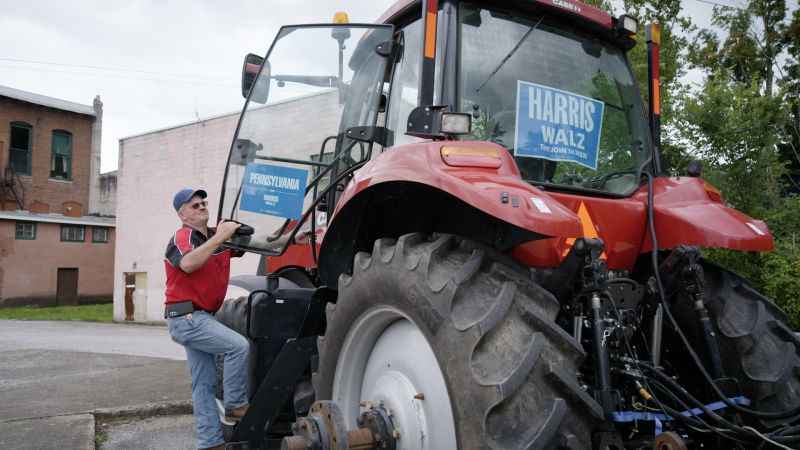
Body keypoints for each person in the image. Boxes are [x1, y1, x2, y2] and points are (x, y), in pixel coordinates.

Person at [164, 188, 248, 450]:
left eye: (203, 203)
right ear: (182, 214)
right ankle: (235, 406)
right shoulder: (182, 237)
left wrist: (293, 238)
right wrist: (219, 236)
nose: (202, 207)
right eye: (194, 205)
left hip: (201, 318)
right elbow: (188, 263)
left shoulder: (215, 237)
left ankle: (210, 443)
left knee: (203, 385)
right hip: (186, 318)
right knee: (238, 346)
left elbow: (258, 243)